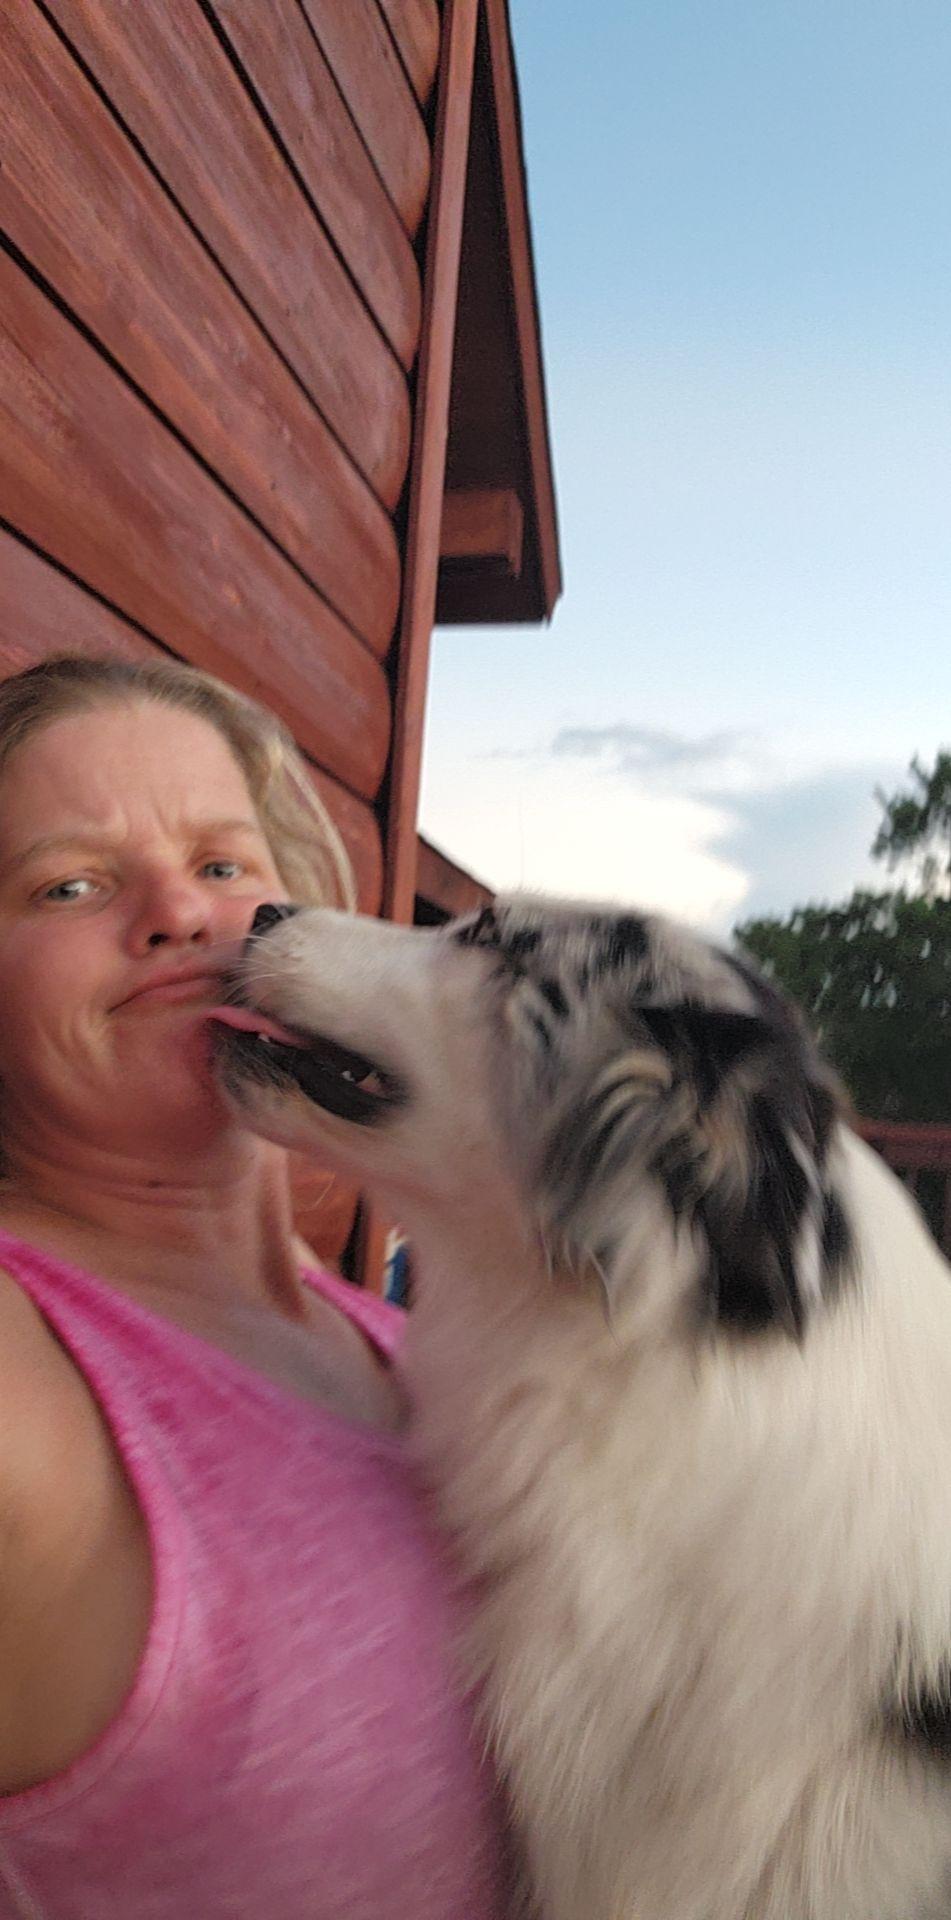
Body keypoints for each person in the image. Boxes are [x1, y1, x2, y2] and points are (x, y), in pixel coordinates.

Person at [0, 654, 508, 1918]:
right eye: (69, 885)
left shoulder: (402, 1341)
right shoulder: (27, 1377)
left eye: (224, 864)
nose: (179, 911)